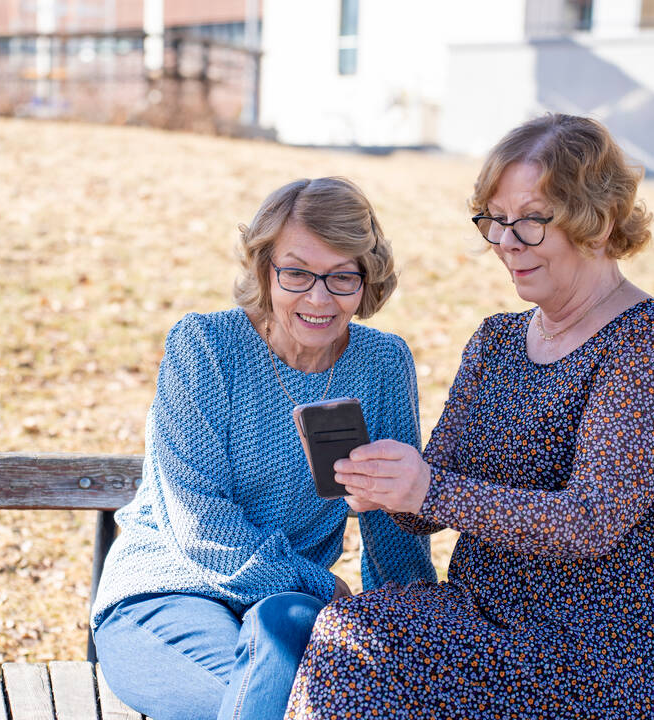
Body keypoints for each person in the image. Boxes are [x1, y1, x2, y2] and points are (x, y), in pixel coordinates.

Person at [285, 115, 654, 719]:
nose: (507, 241)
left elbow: (589, 522)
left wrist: (431, 489)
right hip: (482, 620)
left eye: (532, 221)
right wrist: (387, 486)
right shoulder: (497, 342)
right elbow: (429, 508)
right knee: (347, 635)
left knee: (354, 654)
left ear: (599, 221)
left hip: (607, 652)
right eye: (496, 220)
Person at [91, 177, 438, 720]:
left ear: (366, 279)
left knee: (308, 671)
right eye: (297, 273)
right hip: (169, 592)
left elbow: (393, 521)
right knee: (277, 704)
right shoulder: (206, 346)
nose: (319, 298)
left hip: (288, 612)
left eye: (342, 276)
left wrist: (415, 628)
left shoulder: (382, 363)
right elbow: (200, 527)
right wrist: (323, 584)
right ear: (263, 270)